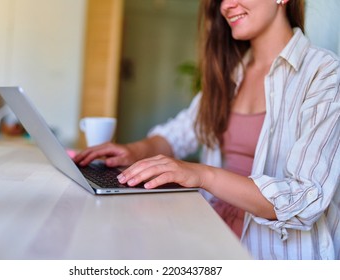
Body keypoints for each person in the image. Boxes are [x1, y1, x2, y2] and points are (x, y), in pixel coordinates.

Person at [74, 0, 340, 260]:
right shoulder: (229, 73)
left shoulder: (324, 73)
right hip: (212, 231)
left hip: (272, 253)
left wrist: (202, 175)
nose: (226, 5)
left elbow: (307, 197)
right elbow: (180, 132)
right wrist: (132, 151)